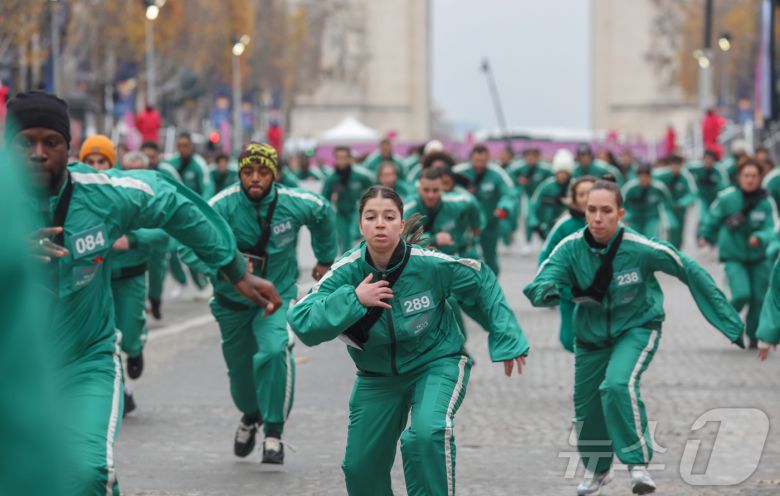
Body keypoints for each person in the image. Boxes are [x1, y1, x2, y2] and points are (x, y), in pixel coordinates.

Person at [6, 90, 281, 496]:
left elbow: (174, 204)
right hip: (14, 370)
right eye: (24, 142)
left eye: (52, 142)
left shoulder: (102, 194)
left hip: (86, 362)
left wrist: (233, 267)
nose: (38, 153)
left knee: (86, 474)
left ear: (70, 148)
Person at [288, 185, 530, 495]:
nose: (380, 223)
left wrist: (507, 337)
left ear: (401, 225)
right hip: (377, 378)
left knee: (425, 436)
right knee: (359, 468)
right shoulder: (346, 271)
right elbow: (303, 320)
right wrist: (354, 298)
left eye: (389, 217)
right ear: (360, 225)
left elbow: (481, 279)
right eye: (371, 217)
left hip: (436, 363)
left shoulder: (429, 264)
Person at [524, 180, 744, 496]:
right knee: (587, 408)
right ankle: (598, 470)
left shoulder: (640, 247)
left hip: (638, 327)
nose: (598, 218)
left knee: (616, 385)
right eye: (592, 210)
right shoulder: (570, 247)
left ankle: (637, 464)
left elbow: (687, 267)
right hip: (590, 337)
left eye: (606, 211)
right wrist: (549, 292)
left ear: (620, 214)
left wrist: (728, 322)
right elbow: (539, 282)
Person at [182, 142, 336, 464]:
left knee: (273, 351)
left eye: (263, 172)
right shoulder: (221, 206)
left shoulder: (293, 202)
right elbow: (187, 246)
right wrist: (224, 270)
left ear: (275, 174)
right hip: (232, 303)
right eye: (248, 171)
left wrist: (324, 256)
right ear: (239, 173)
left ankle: (274, 433)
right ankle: (251, 415)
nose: (255, 178)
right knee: (240, 376)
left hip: (275, 299)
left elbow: (323, 211)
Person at [81, 140, 168, 415]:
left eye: (101, 161)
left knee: (128, 336)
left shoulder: (127, 193)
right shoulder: (76, 194)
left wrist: (131, 239)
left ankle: (136, 346)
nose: (96, 168)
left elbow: (163, 232)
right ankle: (121, 391)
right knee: (104, 339)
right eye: (90, 162)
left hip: (131, 276)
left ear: (112, 163)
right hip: (97, 278)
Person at [699, 159, 777, 348]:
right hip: (733, 257)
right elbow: (713, 217)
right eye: (746, 176)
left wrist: (759, 236)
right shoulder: (727, 198)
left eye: (754, 176)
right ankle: (731, 325)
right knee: (742, 294)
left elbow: (772, 227)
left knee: (759, 299)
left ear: (760, 178)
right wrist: (706, 235)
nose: (750, 180)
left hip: (759, 259)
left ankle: (753, 336)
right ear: (739, 177)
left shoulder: (766, 201)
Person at [537, 176, 596, 352]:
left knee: (599, 338)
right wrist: (547, 285)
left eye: (590, 193)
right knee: (568, 339)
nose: (586, 197)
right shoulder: (565, 225)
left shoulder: (608, 222)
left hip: (600, 294)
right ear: (574, 198)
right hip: (569, 292)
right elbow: (547, 254)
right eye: (582, 194)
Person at [159, 132, 213, 293]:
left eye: (186, 146)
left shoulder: (199, 164)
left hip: (193, 214)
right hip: (175, 214)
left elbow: (207, 188)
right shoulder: (170, 164)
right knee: (170, 250)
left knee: (191, 250)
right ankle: (181, 281)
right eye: (180, 146)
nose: (183, 149)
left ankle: (201, 283)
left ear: (191, 146)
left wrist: (200, 208)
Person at [453, 144, 516, 274]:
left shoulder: (497, 173)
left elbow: (509, 193)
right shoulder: (458, 172)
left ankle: (492, 287)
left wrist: (503, 208)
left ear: (488, 159)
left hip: (490, 223)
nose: (479, 165)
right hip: (466, 225)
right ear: (470, 158)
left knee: (490, 257)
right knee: (466, 256)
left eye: (483, 161)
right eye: (476, 161)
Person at [321, 146, 376, 255]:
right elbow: (324, 200)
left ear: (350, 158)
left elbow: (374, 190)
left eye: (344, 157)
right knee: (344, 243)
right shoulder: (331, 179)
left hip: (358, 212)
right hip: (340, 214)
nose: (341, 161)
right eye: (339, 158)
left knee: (357, 238)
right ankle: (347, 266)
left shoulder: (361, 176)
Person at [506, 147, 553, 253]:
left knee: (543, 218)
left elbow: (553, 177)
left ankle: (544, 240)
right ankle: (528, 242)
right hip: (527, 195)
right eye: (529, 156)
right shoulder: (519, 167)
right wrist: (518, 180)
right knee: (528, 217)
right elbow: (508, 175)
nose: (531, 158)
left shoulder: (545, 168)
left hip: (541, 197)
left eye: (534, 156)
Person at [652, 155, 697, 249]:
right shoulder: (662, 175)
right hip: (667, 207)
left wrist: (682, 203)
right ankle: (667, 248)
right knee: (671, 227)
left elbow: (692, 194)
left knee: (679, 233)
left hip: (680, 210)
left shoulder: (685, 177)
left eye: (678, 165)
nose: (675, 168)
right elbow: (652, 182)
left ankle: (677, 251)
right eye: (673, 165)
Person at [621, 164, 676, 240]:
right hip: (634, 219)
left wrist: (669, 218)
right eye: (641, 176)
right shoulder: (630, 188)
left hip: (651, 218)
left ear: (651, 176)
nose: (644, 179)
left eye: (646, 176)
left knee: (651, 239)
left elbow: (668, 203)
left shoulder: (659, 188)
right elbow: (621, 204)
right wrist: (626, 216)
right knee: (635, 240)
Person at [529, 149, 575, 240]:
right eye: (560, 172)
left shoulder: (574, 186)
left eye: (565, 172)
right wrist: (535, 224)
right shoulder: (547, 186)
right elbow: (534, 204)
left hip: (569, 227)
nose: (562, 175)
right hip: (549, 227)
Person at [688, 150, 729, 229]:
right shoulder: (696, 168)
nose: (708, 161)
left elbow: (724, 184)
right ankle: (701, 234)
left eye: (710, 159)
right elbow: (684, 171)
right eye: (706, 159)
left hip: (715, 198)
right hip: (702, 198)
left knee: (714, 215)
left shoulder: (719, 170)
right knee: (702, 216)